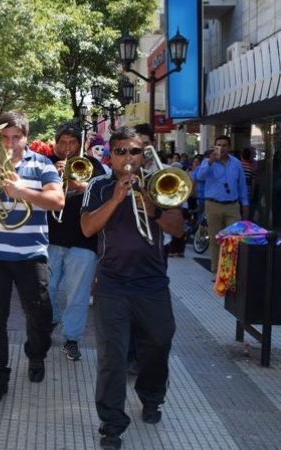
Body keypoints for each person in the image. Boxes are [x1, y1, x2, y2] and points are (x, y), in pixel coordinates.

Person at [80, 126, 184, 450]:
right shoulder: (98, 185)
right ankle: (112, 425)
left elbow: (178, 229)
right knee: (112, 357)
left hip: (153, 284)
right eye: (121, 151)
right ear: (111, 156)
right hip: (112, 284)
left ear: (143, 155)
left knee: (159, 343)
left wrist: (152, 209)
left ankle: (151, 396)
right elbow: (87, 228)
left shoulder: (160, 183)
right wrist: (116, 199)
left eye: (134, 151)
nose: (128, 158)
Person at [0, 111, 64, 404]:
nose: (9, 143)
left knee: (41, 314)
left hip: (31, 253)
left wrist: (22, 191)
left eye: (15, 137)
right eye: (3, 137)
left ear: (26, 137)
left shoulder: (42, 164)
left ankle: (35, 353)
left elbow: (56, 200)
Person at [47, 122, 106, 361]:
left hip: (83, 241)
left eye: (72, 143)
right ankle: (50, 319)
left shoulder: (94, 165)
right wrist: (54, 176)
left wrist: (83, 187)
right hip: (50, 237)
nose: (67, 147)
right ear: (56, 143)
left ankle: (71, 339)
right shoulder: (45, 163)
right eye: (63, 142)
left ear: (80, 145)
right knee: (45, 289)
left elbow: (104, 195)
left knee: (77, 295)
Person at [192, 135, 249, 273]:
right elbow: (199, 177)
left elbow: (242, 185)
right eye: (219, 145)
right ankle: (216, 271)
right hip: (213, 206)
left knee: (233, 239)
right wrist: (210, 162)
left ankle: (229, 270)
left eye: (224, 145)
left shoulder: (236, 163)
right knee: (215, 239)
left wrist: (245, 204)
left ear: (229, 147)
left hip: (232, 206)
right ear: (214, 146)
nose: (222, 148)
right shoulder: (207, 162)